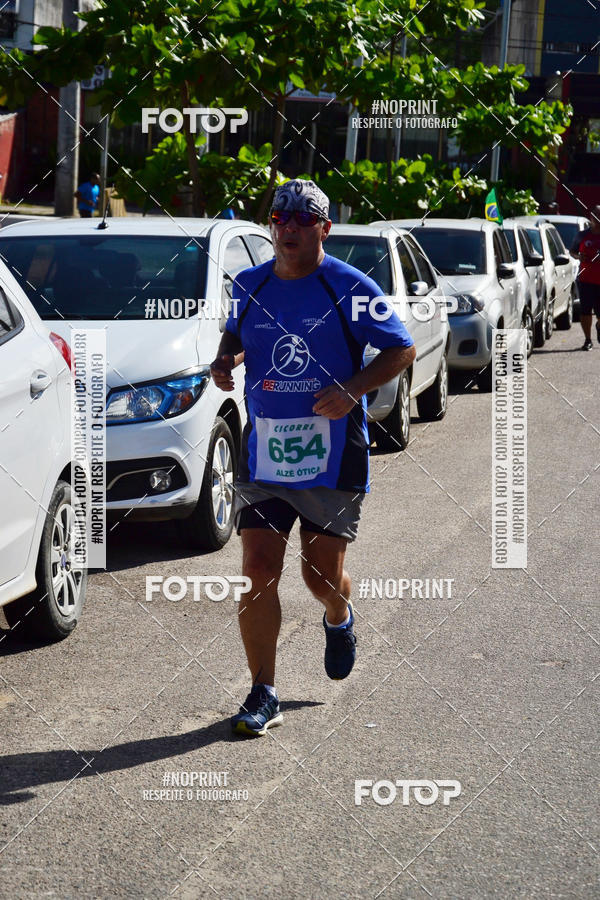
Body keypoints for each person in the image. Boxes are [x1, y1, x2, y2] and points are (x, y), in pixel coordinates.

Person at [210, 179, 416, 737]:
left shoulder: (350, 287)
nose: (291, 227)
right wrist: (225, 361)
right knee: (257, 569)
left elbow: (401, 347)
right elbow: (235, 336)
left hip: (334, 452)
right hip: (267, 451)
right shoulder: (249, 284)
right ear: (271, 226)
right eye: (281, 217)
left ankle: (338, 614)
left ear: (325, 228)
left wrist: (351, 391)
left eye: (304, 219)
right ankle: (263, 691)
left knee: (319, 577)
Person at [570, 205, 600, 350]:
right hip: (586, 280)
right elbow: (572, 251)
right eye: (596, 215)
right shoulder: (582, 235)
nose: (598, 218)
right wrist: (579, 256)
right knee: (585, 311)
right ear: (591, 217)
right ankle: (588, 339)